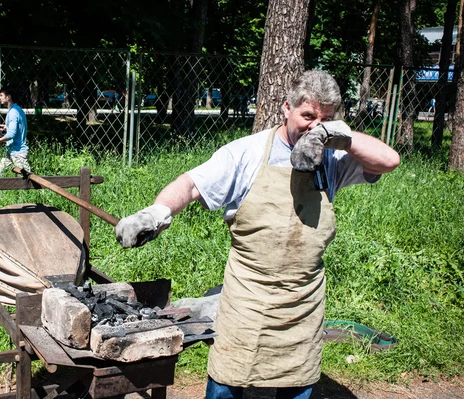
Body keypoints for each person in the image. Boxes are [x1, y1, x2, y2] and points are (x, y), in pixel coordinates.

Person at [114, 70, 400, 399]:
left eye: (325, 120)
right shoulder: (247, 153)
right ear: (286, 109)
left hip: (302, 304)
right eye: (308, 115)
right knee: (226, 385)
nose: (314, 127)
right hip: (248, 302)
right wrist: (156, 212)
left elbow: (389, 161)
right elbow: (191, 184)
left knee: (298, 385)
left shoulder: (333, 159)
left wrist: (342, 136)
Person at [0, 86, 31, 176]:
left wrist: (0, 139)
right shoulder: (17, 109)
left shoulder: (13, 112)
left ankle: (41, 189)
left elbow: (12, 134)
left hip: (18, 153)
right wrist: (5, 127)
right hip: (11, 151)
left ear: (8, 97)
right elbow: (18, 127)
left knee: (28, 179)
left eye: (1, 95)